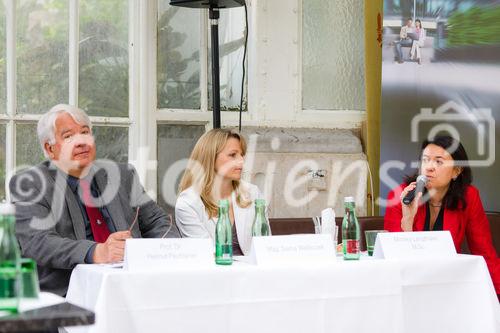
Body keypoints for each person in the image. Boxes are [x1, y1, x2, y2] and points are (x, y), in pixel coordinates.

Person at [9, 104, 177, 296]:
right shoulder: (31, 184)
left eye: (85, 132)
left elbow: (159, 222)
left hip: (135, 285)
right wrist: (96, 252)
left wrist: (164, 253)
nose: (80, 142)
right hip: (71, 294)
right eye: (69, 136)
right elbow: (38, 243)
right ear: (50, 148)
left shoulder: (123, 175)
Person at [384, 136, 499, 296]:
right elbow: (394, 258)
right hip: (407, 286)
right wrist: (408, 220)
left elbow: (484, 252)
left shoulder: (468, 196)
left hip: (449, 283)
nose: (429, 167)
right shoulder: (401, 196)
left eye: (438, 161)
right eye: (425, 160)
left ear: (456, 171)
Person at [175, 129, 267, 255]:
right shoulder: (188, 203)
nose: (241, 161)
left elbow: (265, 247)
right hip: (213, 273)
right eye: (233, 155)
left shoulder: (253, 193)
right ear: (211, 158)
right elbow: (204, 254)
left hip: (254, 272)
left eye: (242, 155)